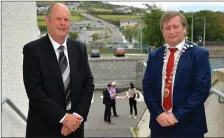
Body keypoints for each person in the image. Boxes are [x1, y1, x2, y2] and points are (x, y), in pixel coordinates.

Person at [23, 3, 94, 137]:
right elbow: (35, 92)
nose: (63, 23)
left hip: (74, 128)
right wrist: (64, 118)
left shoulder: (80, 49)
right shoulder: (32, 51)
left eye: (66, 19)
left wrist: (76, 117)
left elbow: (88, 84)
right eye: (58, 19)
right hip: (44, 130)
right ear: (48, 21)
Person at [142, 11, 211, 138]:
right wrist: (158, 113)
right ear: (162, 31)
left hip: (189, 127)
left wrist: (176, 115)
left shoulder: (199, 55)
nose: (171, 31)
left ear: (184, 29)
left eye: (176, 27)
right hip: (159, 126)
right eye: (167, 28)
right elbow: (147, 87)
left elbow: (201, 90)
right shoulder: (154, 56)